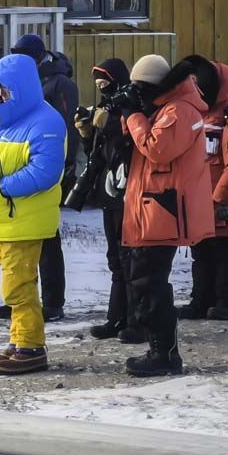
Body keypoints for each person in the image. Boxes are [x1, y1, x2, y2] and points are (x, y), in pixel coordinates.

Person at [118, 53, 216, 377]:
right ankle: (159, 349)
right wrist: (127, 113)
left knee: (150, 282)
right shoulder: (165, 108)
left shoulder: (180, 111)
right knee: (145, 280)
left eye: (139, 88)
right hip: (154, 209)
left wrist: (134, 115)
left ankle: (165, 354)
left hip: (164, 211)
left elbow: (158, 148)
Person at [0, 52, 67, 375]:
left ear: (20, 87)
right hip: (5, 220)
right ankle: (19, 341)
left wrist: (3, 188)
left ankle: (31, 347)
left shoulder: (46, 120)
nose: (0, 96)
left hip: (22, 221)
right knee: (15, 285)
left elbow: (46, 170)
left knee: (18, 286)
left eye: (4, 89)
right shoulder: (3, 124)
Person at [3, 33, 76, 322]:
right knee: (21, 236)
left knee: (47, 236)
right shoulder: (19, 80)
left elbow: (67, 125)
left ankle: (53, 303)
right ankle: (22, 299)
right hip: (20, 161)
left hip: (49, 164)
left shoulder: (60, 83)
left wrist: (67, 163)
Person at [74, 58, 145, 344]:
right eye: (98, 84)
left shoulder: (131, 105)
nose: (102, 88)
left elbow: (132, 142)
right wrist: (87, 132)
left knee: (130, 259)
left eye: (105, 82)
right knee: (116, 259)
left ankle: (135, 320)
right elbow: (97, 153)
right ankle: (116, 317)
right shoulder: (109, 107)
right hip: (109, 192)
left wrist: (112, 124)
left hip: (127, 191)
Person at [180, 62, 228, 321]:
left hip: (224, 202)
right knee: (201, 253)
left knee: (227, 252)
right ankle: (201, 300)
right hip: (198, 201)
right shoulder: (197, 117)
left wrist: (221, 198)